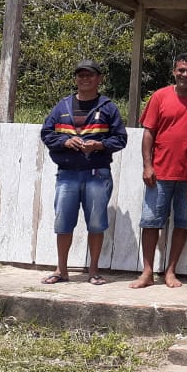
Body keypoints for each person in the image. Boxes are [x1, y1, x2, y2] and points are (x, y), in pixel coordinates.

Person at [39, 60, 128, 285]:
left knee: (96, 223)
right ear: (76, 79)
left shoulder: (108, 107)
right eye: (81, 75)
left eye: (90, 75)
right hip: (67, 173)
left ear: (99, 79)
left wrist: (98, 146)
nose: (85, 79)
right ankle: (61, 270)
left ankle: (94, 271)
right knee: (63, 223)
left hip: (97, 174)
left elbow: (120, 139)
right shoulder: (62, 107)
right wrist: (66, 141)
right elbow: (47, 134)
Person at [130, 54, 187, 289]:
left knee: (183, 223)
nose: (184, 74)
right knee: (151, 222)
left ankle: (171, 271)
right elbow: (148, 132)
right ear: (174, 71)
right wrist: (147, 165)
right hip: (159, 173)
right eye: (181, 70)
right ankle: (147, 272)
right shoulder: (160, 96)